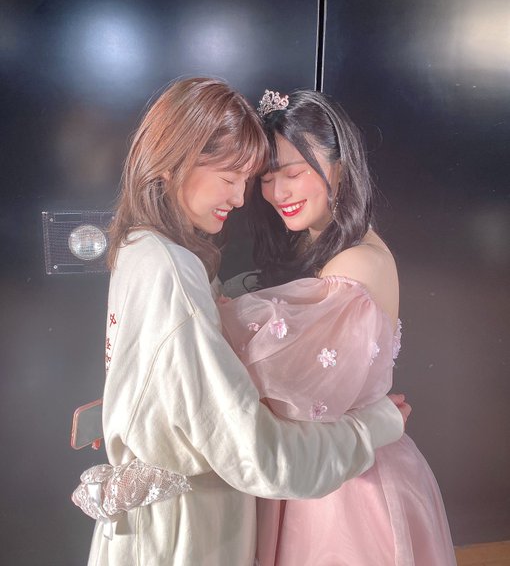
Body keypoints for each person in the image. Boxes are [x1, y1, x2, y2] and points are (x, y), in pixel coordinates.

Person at [81, 78, 407, 566]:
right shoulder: (172, 268)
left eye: (250, 179)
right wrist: (373, 426)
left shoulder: (138, 246)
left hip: (306, 486)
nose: (244, 198)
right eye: (234, 177)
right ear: (175, 161)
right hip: (193, 522)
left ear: (340, 166)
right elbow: (254, 450)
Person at [219, 88, 455, 565]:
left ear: (340, 167)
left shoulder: (356, 262)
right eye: (266, 178)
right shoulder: (315, 243)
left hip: (349, 483)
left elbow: (281, 378)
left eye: (294, 173)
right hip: (319, 461)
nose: (279, 193)